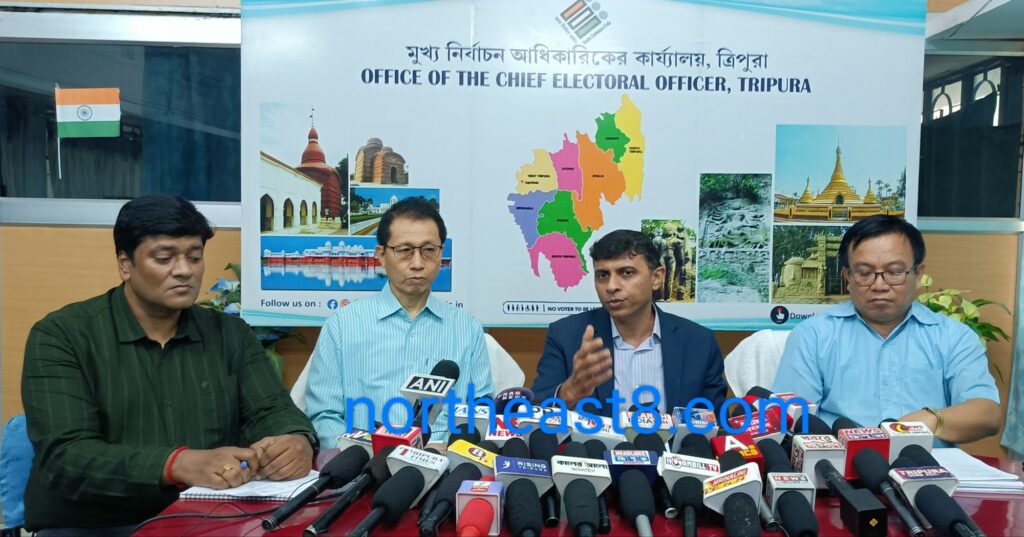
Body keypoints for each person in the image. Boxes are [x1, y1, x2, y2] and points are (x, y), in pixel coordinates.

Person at [21, 195, 317, 536]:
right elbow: (66, 456)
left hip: (210, 519)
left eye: (194, 257)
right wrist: (177, 464)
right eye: (164, 258)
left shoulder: (230, 334)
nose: (184, 270)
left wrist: (296, 440)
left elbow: (272, 410)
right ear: (125, 264)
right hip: (97, 524)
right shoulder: (62, 335)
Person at [772, 215, 1001, 445]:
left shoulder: (953, 337)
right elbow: (786, 420)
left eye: (894, 272)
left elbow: (987, 414)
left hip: (929, 463)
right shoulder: (813, 335)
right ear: (848, 277)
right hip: (838, 463)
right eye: (864, 273)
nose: (879, 285)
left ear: (918, 274)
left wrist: (931, 420)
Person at [305, 197, 494, 449]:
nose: (417, 263)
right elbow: (324, 416)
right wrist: (359, 457)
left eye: (429, 250)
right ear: (381, 256)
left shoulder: (467, 329)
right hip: (366, 462)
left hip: (444, 463)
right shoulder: (342, 326)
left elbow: (481, 411)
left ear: (441, 254)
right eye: (405, 251)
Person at [532, 230, 726, 415]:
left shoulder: (699, 342)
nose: (611, 286)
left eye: (626, 273)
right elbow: (534, 415)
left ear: (657, 278)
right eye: (603, 275)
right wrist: (568, 394)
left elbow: (714, 425)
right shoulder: (565, 336)